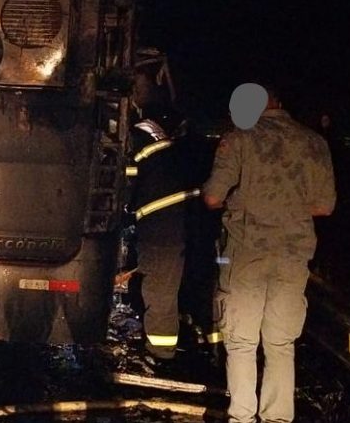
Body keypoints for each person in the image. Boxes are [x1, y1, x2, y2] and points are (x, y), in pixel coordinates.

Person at [203, 82, 336, 423]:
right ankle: (278, 418)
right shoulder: (314, 142)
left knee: (242, 342)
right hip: (293, 256)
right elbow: (324, 205)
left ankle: (243, 417)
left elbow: (212, 198)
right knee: (280, 344)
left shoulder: (239, 139)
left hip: (247, 254)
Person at [126, 102, 202, 363]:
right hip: (184, 227)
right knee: (174, 287)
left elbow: (126, 187)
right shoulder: (170, 148)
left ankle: (161, 354)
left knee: (159, 291)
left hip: (162, 232)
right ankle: (202, 345)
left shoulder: (137, 142)